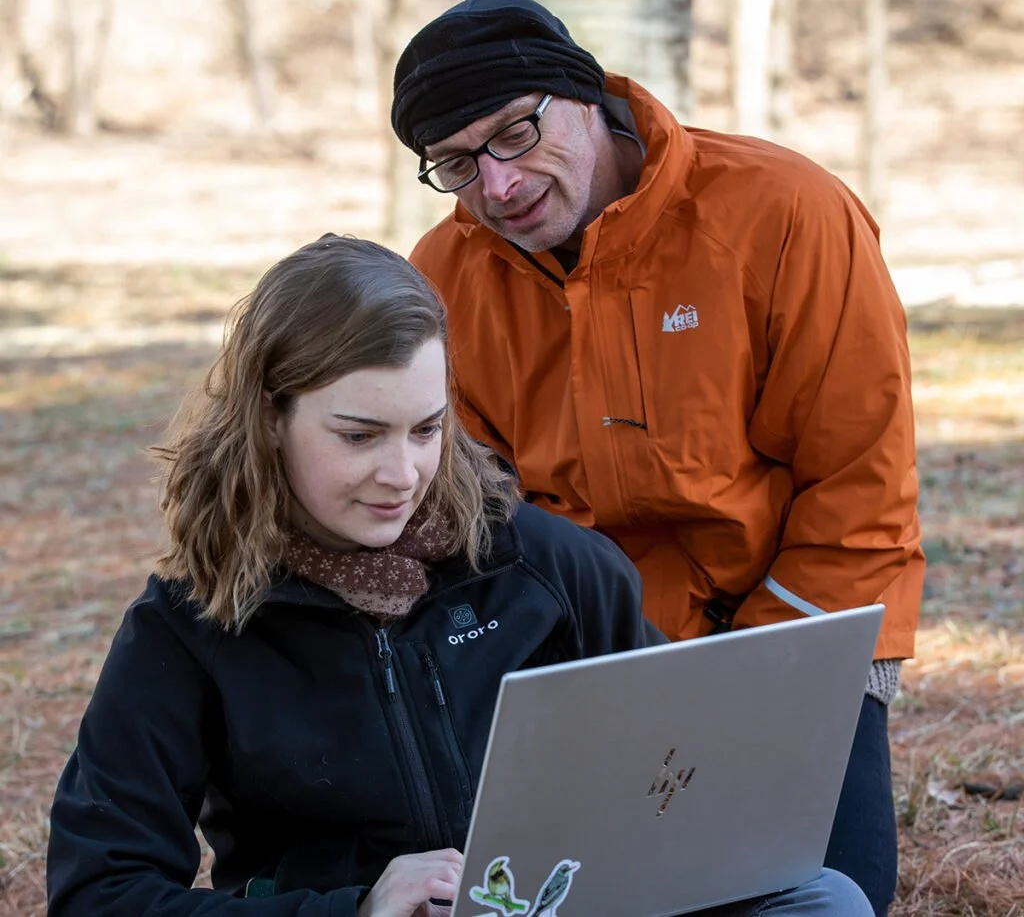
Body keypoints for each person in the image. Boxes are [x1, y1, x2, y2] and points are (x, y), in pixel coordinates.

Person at [46, 234, 871, 916]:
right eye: (360, 435)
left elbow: (683, 768)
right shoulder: (188, 624)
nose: (402, 474)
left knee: (824, 900)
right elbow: (98, 893)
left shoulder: (543, 565)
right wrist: (358, 908)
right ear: (269, 421)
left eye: (426, 429)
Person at [390, 0, 926, 915]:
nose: (499, 187)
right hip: (586, 661)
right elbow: (475, 523)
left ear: (584, 94)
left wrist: (756, 684)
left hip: (796, 637)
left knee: (830, 895)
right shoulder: (443, 278)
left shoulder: (786, 213)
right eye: (458, 164)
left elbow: (859, 490)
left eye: (516, 133)